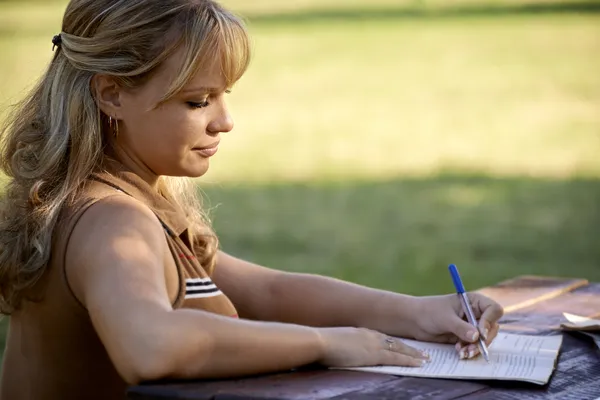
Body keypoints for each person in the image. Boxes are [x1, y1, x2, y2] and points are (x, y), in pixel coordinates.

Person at [0, 1, 504, 399]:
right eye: (197, 101)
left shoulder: (121, 201)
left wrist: (421, 313)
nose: (224, 121)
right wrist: (328, 345)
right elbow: (151, 346)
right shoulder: (112, 222)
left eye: (225, 95)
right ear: (111, 93)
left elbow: (268, 292)